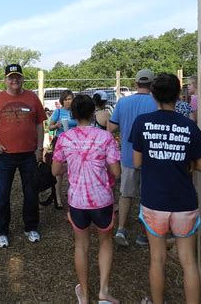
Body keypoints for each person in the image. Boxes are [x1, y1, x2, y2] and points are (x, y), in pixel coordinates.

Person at [129, 73, 201, 304]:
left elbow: (137, 163)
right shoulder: (189, 126)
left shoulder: (142, 123)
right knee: (189, 262)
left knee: (157, 259)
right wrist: (183, 161)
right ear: (178, 95)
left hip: (154, 201)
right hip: (184, 202)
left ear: (153, 95)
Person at [52, 94, 121, 304]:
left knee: (81, 245)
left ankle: (84, 294)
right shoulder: (106, 138)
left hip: (77, 201)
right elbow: (116, 171)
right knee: (105, 242)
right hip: (102, 200)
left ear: (72, 114)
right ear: (93, 113)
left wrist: (70, 165)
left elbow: (55, 170)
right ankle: (103, 292)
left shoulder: (64, 138)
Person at [0, 63, 47, 248]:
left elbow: (39, 125)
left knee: (30, 193)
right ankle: (1, 231)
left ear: (22, 78)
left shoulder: (32, 98)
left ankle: (31, 227)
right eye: (11, 77)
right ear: (5, 80)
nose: (15, 80)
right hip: (5, 156)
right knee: (2, 195)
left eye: (18, 77)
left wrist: (39, 148)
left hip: (29, 155)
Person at [107, 69, 157, 247]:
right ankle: (144, 235)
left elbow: (111, 128)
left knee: (126, 194)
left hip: (128, 157)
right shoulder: (157, 102)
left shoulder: (123, 102)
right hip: (152, 158)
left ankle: (121, 229)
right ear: (152, 85)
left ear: (136, 84)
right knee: (148, 197)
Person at [47, 89, 77, 209]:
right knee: (59, 172)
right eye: (66, 99)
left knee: (73, 171)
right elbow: (50, 127)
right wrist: (56, 125)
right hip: (60, 142)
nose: (68, 102)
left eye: (70, 99)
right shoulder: (58, 112)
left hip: (74, 143)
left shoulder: (76, 112)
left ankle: (72, 197)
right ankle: (58, 199)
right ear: (62, 101)